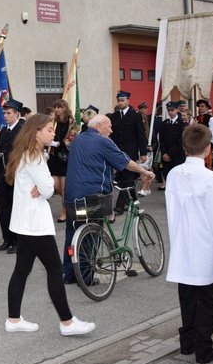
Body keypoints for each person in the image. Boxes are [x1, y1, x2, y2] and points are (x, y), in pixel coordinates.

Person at [3, 114, 95, 336]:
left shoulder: (29, 154)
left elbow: (43, 187)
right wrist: (49, 184)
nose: (53, 133)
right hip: (34, 224)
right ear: (36, 132)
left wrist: (45, 185)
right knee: (54, 270)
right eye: (49, 129)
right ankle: (67, 323)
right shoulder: (34, 156)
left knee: (22, 270)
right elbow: (48, 189)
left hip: (26, 222)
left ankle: (13, 319)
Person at [166, 124, 213, 364]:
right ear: (208, 149)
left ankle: (187, 342)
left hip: (182, 243)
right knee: (206, 300)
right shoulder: (211, 179)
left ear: (184, 146)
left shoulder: (174, 173)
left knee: (187, 297)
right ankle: (204, 348)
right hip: (204, 246)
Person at [62, 115, 155, 283]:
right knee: (92, 233)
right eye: (109, 127)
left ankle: (69, 275)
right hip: (93, 195)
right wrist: (143, 172)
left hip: (71, 195)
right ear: (99, 127)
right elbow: (125, 161)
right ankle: (86, 277)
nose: (111, 131)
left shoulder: (78, 139)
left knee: (73, 231)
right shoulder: (103, 142)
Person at [0, 99, 24, 254]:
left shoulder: (22, 130)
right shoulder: (3, 131)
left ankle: (18, 241)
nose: (5, 115)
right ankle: (7, 239)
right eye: (4, 113)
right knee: (2, 206)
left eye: (8, 113)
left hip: (17, 175)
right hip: (3, 175)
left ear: (17, 114)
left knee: (15, 208)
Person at [107, 90, 148, 214]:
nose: (120, 103)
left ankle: (120, 206)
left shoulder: (135, 115)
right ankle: (134, 201)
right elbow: (112, 135)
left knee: (127, 177)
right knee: (125, 178)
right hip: (118, 152)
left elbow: (141, 134)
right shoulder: (114, 116)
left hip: (130, 151)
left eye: (123, 100)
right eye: (119, 100)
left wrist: (143, 152)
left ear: (128, 101)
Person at [48, 99, 75, 222]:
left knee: (64, 187)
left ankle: (64, 212)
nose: (57, 109)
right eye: (55, 107)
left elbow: (72, 137)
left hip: (65, 156)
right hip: (54, 156)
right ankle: (70, 201)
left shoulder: (71, 121)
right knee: (56, 185)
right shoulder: (54, 122)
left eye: (59, 107)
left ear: (64, 107)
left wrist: (59, 143)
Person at [157, 101, 187, 190]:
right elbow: (161, 140)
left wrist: (170, 154)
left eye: (172, 110)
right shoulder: (164, 123)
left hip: (177, 155)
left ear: (177, 110)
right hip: (166, 156)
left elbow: (180, 141)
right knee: (168, 178)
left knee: (178, 180)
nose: (170, 112)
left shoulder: (182, 123)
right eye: (168, 110)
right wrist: (164, 153)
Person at [196, 99, 213, 169]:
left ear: (207, 108)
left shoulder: (210, 119)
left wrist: (206, 139)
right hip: (197, 143)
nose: (200, 108)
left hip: (206, 143)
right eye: (199, 106)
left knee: (207, 162)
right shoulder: (196, 118)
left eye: (202, 106)